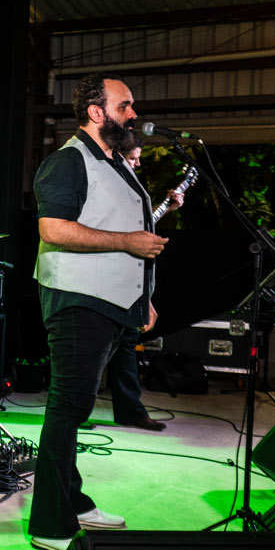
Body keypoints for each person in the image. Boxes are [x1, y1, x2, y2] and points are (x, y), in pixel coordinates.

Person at [29, 72, 166, 550]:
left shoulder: (112, 162)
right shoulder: (68, 161)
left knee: (77, 409)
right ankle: (50, 524)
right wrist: (129, 243)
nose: (133, 114)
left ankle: (75, 501)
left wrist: (141, 296)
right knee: (67, 409)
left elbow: (120, 227)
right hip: (76, 301)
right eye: (124, 106)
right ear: (95, 111)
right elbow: (53, 229)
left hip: (107, 302)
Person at [103, 142, 183, 432]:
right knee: (96, 350)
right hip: (106, 280)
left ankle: (130, 412)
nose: (138, 164)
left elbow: (139, 233)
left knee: (126, 346)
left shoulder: (133, 188)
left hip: (128, 282)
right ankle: (74, 410)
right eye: (133, 158)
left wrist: (167, 207)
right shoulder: (109, 186)